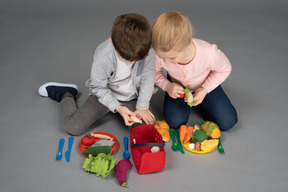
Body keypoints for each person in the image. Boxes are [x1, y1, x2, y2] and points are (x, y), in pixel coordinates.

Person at [38, 13, 157, 135]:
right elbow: (98, 87)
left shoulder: (147, 49)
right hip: (105, 94)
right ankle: (66, 95)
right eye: (127, 58)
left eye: (137, 59)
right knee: (73, 127)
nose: (132, 62)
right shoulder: (103, 55)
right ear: (112, 41)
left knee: (146, 132)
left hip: (133, 98)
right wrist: (118, 107)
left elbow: (148, 78)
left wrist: (142, 106)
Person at [152, 12, 237, 131]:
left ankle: (203, 101)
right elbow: (153, 71)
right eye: (162, 57)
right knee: (175, 122)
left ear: (187, 45)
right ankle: (193, 102)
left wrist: (205, 89)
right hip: (177, 87)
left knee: (227, 122)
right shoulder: (162, 54)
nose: (165, 61)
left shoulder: (208, 53)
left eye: (171, 58)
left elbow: (225, 69)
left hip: (204, 84)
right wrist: (167, 86)